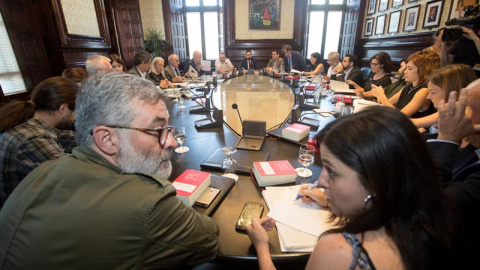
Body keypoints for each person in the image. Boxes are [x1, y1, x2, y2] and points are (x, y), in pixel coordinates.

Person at [0, 72, 219, 269]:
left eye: (168, 128)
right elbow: (209, 241)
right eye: (158, 130)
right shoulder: (147, 202)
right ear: (107, 139)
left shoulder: (43, 172)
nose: (170, 141)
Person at [247, 106, 464, 270]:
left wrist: (262, 247)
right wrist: (326, 201)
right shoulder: (440, 225)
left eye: (332, 171)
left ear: (376, 179)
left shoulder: (340, 251)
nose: (321, 182)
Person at [0, 77, 78, 208]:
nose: (77, 116)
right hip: (22, 217)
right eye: (76, 110)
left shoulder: (31, 123)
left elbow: (67, 137)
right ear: (63, 108)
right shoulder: (32, 138)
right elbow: (70, 180)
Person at [428, 82, 480, 262]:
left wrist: (447, 137)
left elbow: (428, 207)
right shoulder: (470, 148)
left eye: (464, 106)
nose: (453, 112)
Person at [371, 50, 440, 118]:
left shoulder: (424, 91)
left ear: (423, 71)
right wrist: (379, 97)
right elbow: (388, 103)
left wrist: (382, 96)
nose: (405, 72)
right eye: (406, 68)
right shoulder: (408, 87)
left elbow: (400, 116)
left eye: (410, 69)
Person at [411, 64, 476, 131]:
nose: (428, 97)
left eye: (433, 92)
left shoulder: (454, 112)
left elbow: (411, 123)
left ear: (452, 92)